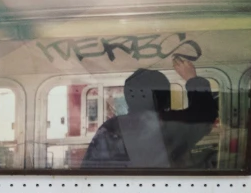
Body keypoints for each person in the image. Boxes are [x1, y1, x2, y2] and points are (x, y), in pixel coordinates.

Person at [81, 60, 216, 170]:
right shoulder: (170, 123)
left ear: (128, 97)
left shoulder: (111, 127)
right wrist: (192, 79)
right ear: (165, 97)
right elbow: (204, 115)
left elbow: (89, 169)